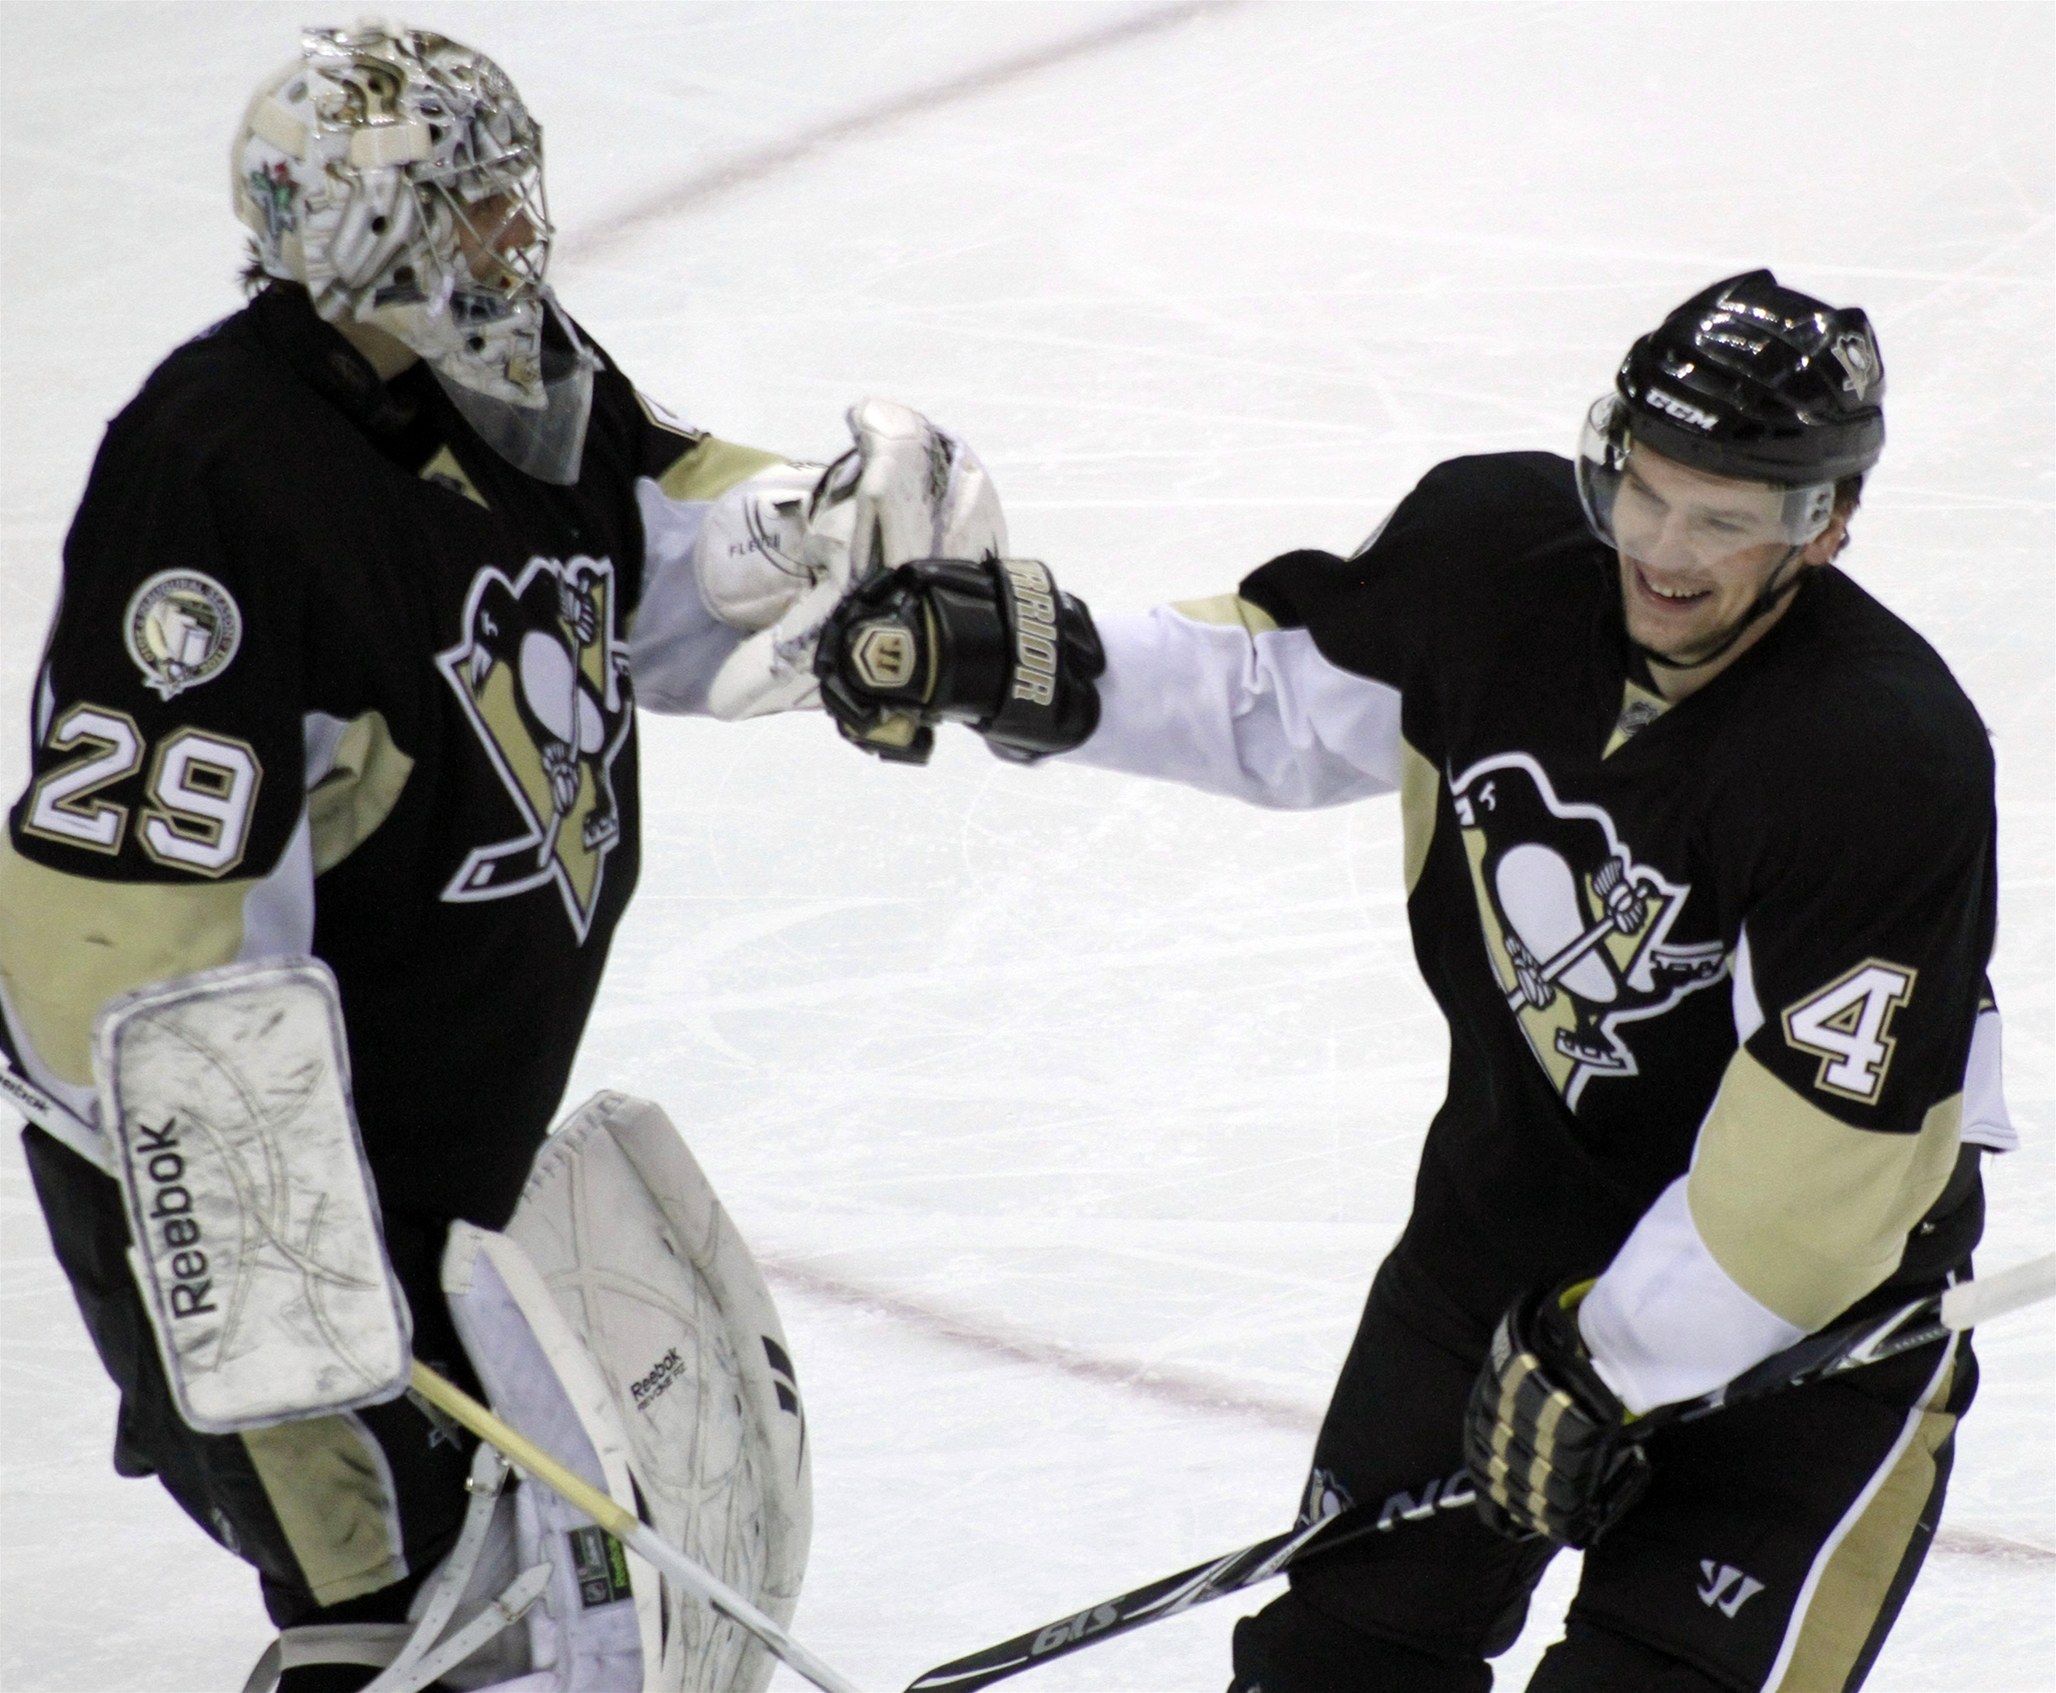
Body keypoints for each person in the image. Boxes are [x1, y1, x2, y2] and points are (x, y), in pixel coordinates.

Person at [808, 271, 2016, 1690]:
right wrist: (1042, 666)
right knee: (1330, 1670)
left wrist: (1611, 1358)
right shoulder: (1496, 559)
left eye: (1723, 520)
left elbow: (1820, 1182)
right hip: (1502, 1245)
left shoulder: (1885, 761)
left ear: (1826, 523)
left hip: (1806, 1343)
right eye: (1645, 493)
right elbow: (1271, 695)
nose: (1663, 551)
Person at [0, 21, 993, 1691]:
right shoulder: (218, 474)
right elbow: (122, 960)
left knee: (495, 1594)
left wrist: (834, 533)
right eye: (470, 201)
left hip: (432, 1149)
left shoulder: (503, 378)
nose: (516, 229)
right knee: (393, 1611)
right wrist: (291, 1294)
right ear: (357, 232)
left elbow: (654, 536)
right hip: (247, 1194)